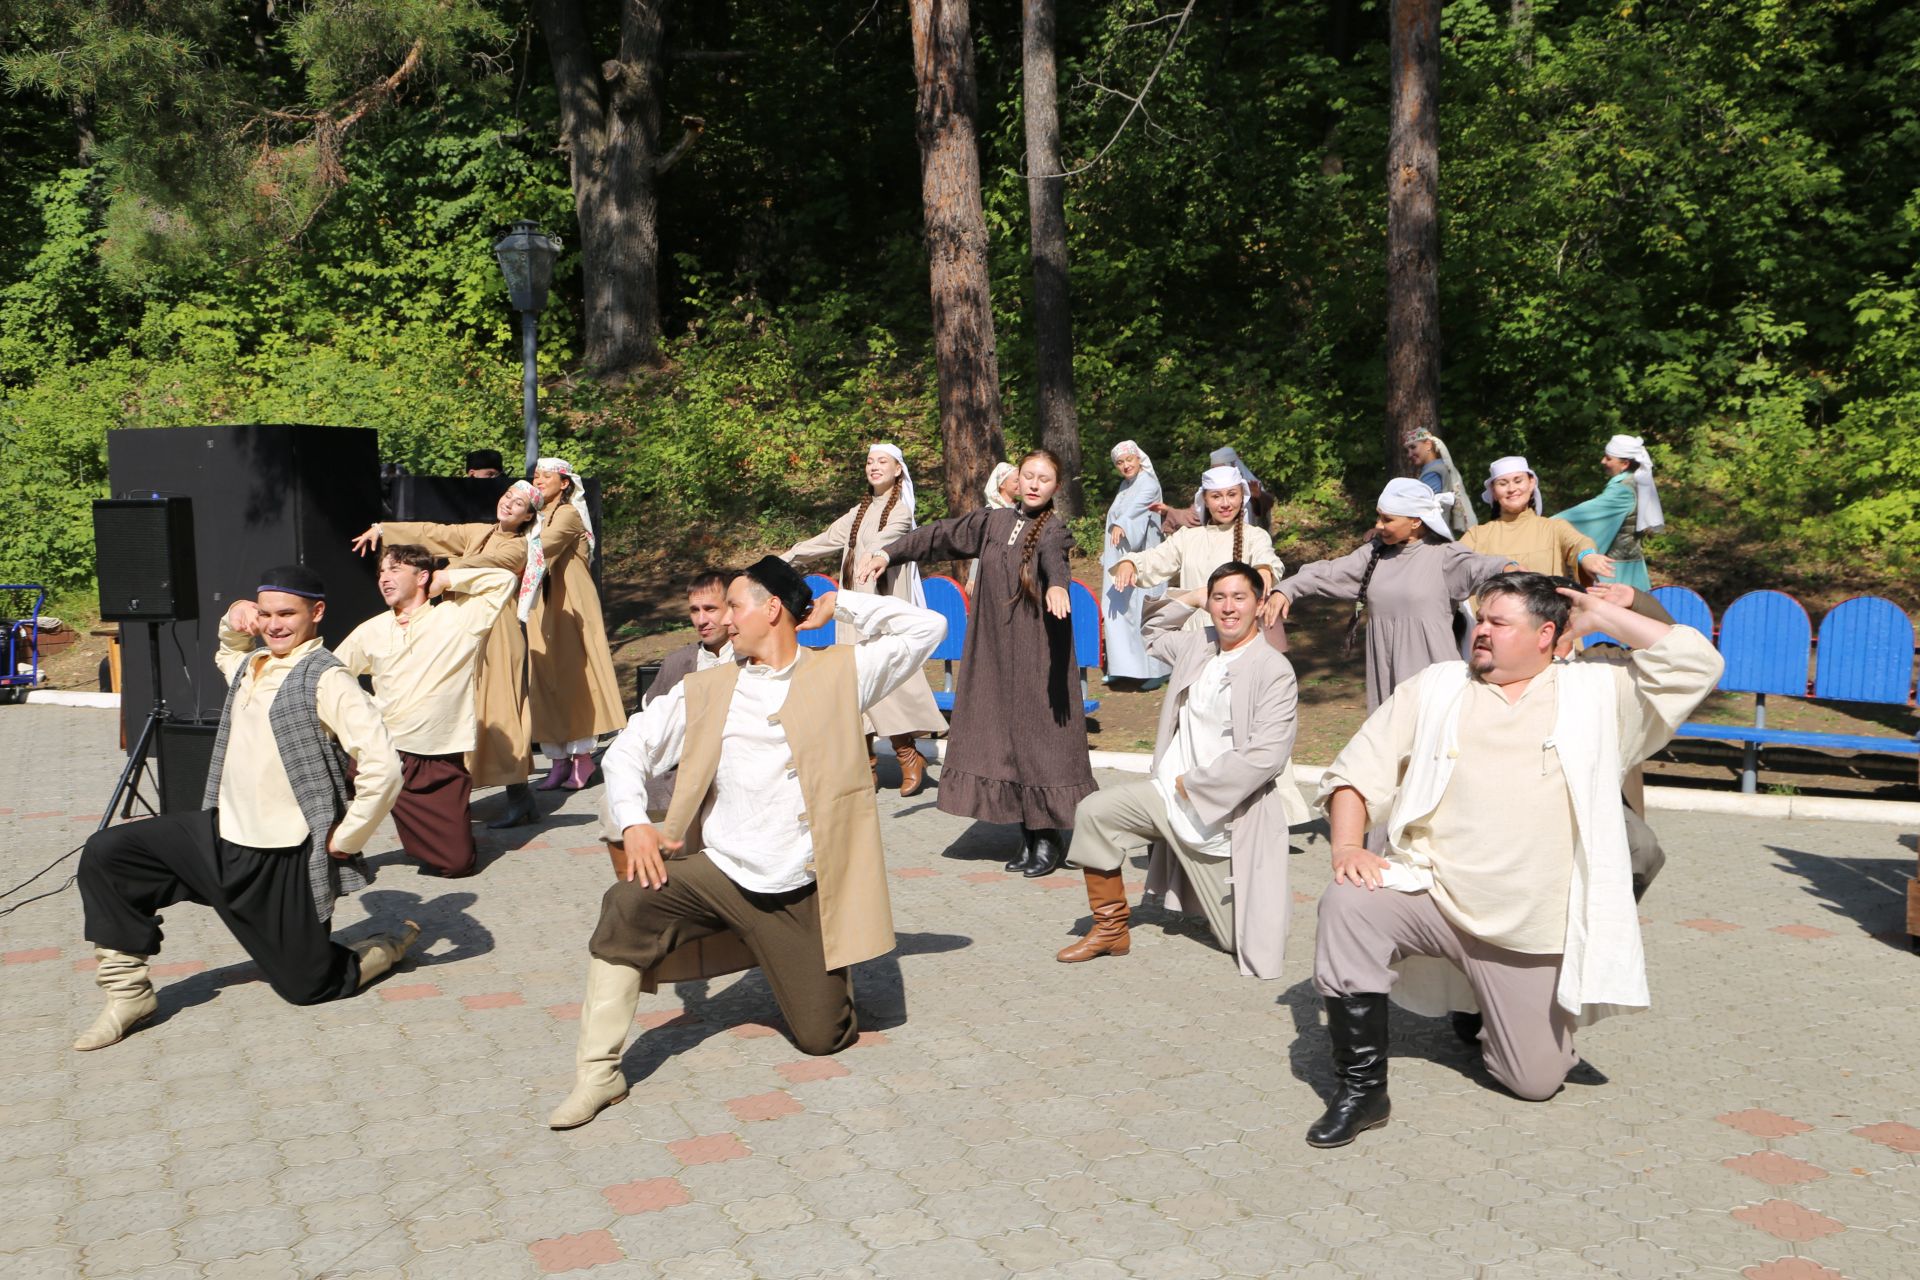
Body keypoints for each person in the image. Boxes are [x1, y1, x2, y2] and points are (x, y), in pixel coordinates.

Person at [1302, 572, 1722, 1147]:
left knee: (1534, 1081)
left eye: (1499, 623)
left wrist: (1599, 616)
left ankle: (1483, 1012)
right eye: (1480, 620)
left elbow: (1698, 665)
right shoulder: (1438, 687)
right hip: (1433, 896)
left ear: (1546, 633)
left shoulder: (1601, 695)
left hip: (1530, 929)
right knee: (1348, 903)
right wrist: (1348, 846)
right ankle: (1362, 1089)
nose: (1481, 631)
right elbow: (1356, 771)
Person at [546, 558, 944, 1129]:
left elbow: (927, 629)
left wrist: (842, 604)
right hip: (722, 875)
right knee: (628, 903)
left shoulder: (843, 672)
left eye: (734, 606)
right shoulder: (707, 688)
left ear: (772, 609)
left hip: (803, 888)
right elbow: (628, 749)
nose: (724, 620)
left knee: (823, 1037)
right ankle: (598, 1073)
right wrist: (634, 820)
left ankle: (807, 963)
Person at [72, 566, 416, 1051]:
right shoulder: (253, 664)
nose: (275, 625)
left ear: (316, 613)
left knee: (308, 987)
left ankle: (383, 948)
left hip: (281, 856)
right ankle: (128, 994)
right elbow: (228, 651)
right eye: (267, 614)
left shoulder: (328, 679)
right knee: (109, 852)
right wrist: (233, 620)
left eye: (287, 614)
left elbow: (384, 765)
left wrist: (350, 836)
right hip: (219, 834)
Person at [1057, 563, 1308, 973]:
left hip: (1224, 819)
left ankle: (1222, 906)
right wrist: (1190, 597)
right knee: (1094, 812)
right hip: (1166, 796)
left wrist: (1196, 783)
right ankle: (1111, 929)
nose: (1228, 608)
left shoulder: (1273, 669)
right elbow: (1153, 631)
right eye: (1219, 597)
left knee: (1237, 940)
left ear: (1260, 604)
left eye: (1240, 598)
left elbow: (1267, 755)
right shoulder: (1198, 645)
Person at [858, 449, 1093, 878]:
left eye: (1045, 478)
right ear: (1016, 481)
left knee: (1038, 740)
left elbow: (1055, 565)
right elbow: (939, 535)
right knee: (1004, 738)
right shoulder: (993, 522)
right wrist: (890, 554)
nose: (1036, 484)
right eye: (1029, 476)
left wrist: (1059, 588)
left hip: (1038, 654)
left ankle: (1048, 838)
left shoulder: (1054, 530)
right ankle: (1028, 836)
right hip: (995, 653)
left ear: (1056, 487)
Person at [351, 480, 546, 828]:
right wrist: (385, 528)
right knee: (460, 708)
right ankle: (456, 792)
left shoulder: (519, 547)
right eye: (507, 497)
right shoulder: (479, 532)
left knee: (498, 711)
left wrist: (446, 574)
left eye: (518, 504)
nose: (508, 504)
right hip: (461, 628)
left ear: (528, 516)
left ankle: (520, 797)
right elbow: (437, 533)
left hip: (496, 632)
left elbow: (483, 564)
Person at [333, 546, 517, 877]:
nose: (384, 578)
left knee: (456, 863)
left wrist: (446, 578)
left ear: (422, 577)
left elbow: (502, 581)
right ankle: (330, 849)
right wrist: (362, 707)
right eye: (381, 573)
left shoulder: (460, 617)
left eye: (394, 570)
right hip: (377, 750)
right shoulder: (371, 629)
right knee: (317, 777)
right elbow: (331, 674)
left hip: (433, 759)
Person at [784, 444, 949, 796]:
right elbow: (827, 539)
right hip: (850, 611)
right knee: (852, 686)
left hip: (880, 608)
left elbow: (884, 541)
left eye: (882, 462)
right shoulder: (857, 511)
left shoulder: (901, 512)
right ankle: (867, 765)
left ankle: (907, 755)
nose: (874, 467)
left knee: (885, 682)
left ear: (898, 470)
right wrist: (785, 560)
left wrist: (875, 555)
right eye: (870, 462)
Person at [1273, 479, 1515, 711]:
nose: (1378, 525)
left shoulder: (1445, 555)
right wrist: (1287, 589)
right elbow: (1327, 572)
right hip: (1386, 677)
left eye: (1387, 519)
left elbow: (1482, 566)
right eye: (1379, 516)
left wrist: (1509, 568)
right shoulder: (1374, 554)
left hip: (1432, 679)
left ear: (1415, 522)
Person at [528, 458, 625, 790]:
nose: (538, 480)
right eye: (536, 475)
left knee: (574, 677)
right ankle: (556, 758)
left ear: (565, 482)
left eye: (546, 475)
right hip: (541, 602)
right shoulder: (534, 516)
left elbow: (542, 548)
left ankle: (581, 757)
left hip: (571, 603)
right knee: (545, 678)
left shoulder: (568, 515)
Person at [1111, 464, 1288, 641]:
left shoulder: (1254, 536)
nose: (1225, 503)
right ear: (1205, 499)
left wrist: (1265, 568)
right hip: (1197, 637)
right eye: (1216, 496)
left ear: (1242, 496)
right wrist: (1130, 563)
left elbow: (1266, 557)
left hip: (1241, 636)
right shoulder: (1188, 538)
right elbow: (1156, 558)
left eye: (1232, 494)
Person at [636, 570, 743, 816]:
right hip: (682, 781)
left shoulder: (752, 659)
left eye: (710, 609)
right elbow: (652, 728)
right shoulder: (677, 663)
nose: (701, 620)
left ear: (731, 609)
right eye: (695, 610)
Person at [1461, 456, 1616, 581]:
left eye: (1518, 480)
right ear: (1493, 492)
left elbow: (1578, 543)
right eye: (1503, 484)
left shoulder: (1553, 528)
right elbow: (1453, 561)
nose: (1512, 489)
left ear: (1531, 483)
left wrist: (1586, 556)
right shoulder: (1477, 535)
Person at [1552, 434, 1666, 592]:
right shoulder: (1635, 482)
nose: (1603, 461)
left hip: (1615, 572)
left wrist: (1544, 525)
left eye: (1608, 458)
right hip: (1630, 567)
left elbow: (1586, 515)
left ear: (1624, 463)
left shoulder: (1622, 491)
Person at [1100, 440, 1171, 690]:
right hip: (1120, 557)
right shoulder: (1124, 486)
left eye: (1129, 460)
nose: (1125, 465)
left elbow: (1136, 510)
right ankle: (1125, 667)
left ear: (1139, 459)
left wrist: (1123, 525)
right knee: (1118, 610)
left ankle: (1158, 669)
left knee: (1145, 612)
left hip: (1144, 558)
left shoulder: (1148, 484)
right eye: (1120, 463)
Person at [1155, 446, 1276, 535]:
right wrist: (1169, 511)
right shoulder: (1211, 488)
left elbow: (1266, 506)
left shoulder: (1250, 485)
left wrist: (1258, 496)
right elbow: (1194, 515)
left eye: (1232, 495)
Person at [1409, 429, 1477, 536]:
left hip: (1432, 535)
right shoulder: (1442, 466)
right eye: (1407, 451)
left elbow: (1427, 508)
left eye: (1413, 447)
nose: (1409, 454)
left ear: (1428, 445)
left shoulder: (1433, 471)